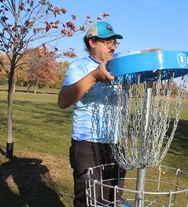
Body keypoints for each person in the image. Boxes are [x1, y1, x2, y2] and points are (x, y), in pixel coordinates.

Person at [58, 21, 160, 206]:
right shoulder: (79, 67)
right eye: (107, 41)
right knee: (89, 199)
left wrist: (156, 55)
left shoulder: (121, 62)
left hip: (116, 144)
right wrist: (95, 76)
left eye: (115, 42)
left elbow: (149, 52)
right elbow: (63, 101)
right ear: (92, 42)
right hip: (87, 144)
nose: (112, 45)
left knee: (113, 198)